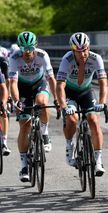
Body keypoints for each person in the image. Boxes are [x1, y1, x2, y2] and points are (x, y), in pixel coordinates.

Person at [56, 32, 108, 177]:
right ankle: (69, 145)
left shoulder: (96, 58)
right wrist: (64, 107)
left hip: (86, 91)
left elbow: (103, 83)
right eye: (79, 51)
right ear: (73, 50)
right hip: (70, 92)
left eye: (85, 49)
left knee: (93, 120)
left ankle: (98, 159)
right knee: (72, 119)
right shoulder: (67, 59)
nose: (83, 53)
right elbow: (60, 86)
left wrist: (102, 103)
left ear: (89, 47)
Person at [9, 31, 58, 182]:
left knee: (42, 103)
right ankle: (24, 165)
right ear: (19, 48)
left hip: (39, 84)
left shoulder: (43, 55)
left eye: (30, 48)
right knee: (24, 125)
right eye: (24, 48)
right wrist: (17, 100)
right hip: (22, 88)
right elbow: (12, 83)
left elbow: (51, 78)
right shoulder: (14, 57)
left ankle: (44, 133)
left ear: (35, 46)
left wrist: (56, 99)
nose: (27, 52)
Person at [0, 46, 11, 155]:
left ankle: (4, 142)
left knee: (3, 112)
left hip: (1, 88)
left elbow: (5, 86)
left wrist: (5, 101)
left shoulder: (3, 63)